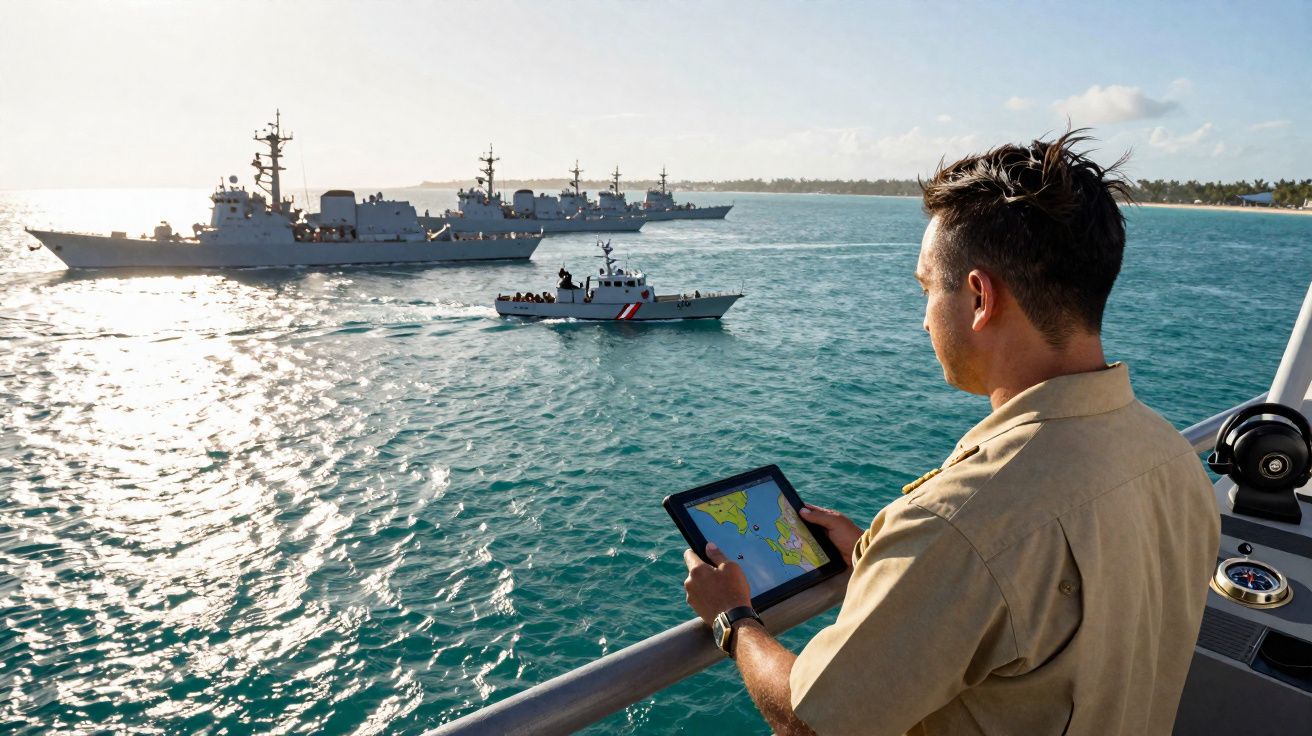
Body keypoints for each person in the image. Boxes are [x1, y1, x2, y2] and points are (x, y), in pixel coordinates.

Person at [682, 130, 1220, 736]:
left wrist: (734, 619)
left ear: (979, 297)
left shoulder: (958, 526)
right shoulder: (1171, 455)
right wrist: (883, 563)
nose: (923, 320)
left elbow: (813, 723)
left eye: (926, 289)